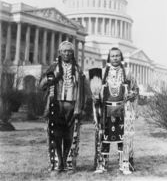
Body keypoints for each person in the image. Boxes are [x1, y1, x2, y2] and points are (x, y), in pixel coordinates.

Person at [89, 47, 138, 175]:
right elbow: (95, 91)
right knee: (104, 136)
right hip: (106, 109)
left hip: (123, 109)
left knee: (123, 137)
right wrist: (95, 97)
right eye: (112, 56)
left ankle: (124, 164)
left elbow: (135, 89)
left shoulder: (127, 72)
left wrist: (132, 94)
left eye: (117, 56)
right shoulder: (102, 72)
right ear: (109, 58)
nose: (115, 58)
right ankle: (102, 164)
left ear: (121, 57)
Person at [39, 41, 87, 173]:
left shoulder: (77, 70)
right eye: (64, 51)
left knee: (70, 136)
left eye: (70, 51)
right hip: (56, 105)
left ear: (73, 53)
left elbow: (83, 91)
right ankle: (58, 162)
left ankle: (67, 161)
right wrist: (54, 77)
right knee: (56, 135)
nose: (67, 53)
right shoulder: (53, 68)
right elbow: (42, 86)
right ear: (59, 53)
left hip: (72, 105)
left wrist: (80, 107)